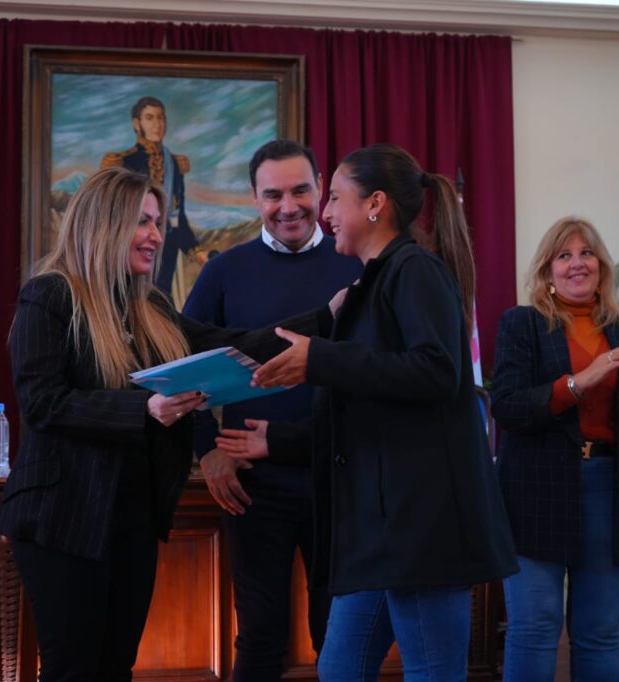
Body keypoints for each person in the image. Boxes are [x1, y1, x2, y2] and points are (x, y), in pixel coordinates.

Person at [0, 166, 334, 681]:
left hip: (132, 513)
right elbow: (43, 403)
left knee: (117, 668)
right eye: (143, 222)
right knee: (72, 671)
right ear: (104, 224)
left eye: (157, 222)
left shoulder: (150, 305)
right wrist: (143, 408)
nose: (156, 235)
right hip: (62, 518)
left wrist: (327, 317)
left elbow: (233, 346)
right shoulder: (49, 295)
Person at [221, 143, 517, 680]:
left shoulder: (414, 270)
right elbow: (367, 406)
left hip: (421, 528)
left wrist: (320, 358)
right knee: (339, 668)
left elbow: (435, 371)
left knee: (431, 672)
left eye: (335, 197)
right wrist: (284, 431)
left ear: (375, 204)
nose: (326, 212)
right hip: (381, 530)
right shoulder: (378, 278)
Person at [183, 139, 360, 679]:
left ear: (322, 187)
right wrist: (208, 450)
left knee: (341, 636)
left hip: (342, 478)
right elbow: (181, 368)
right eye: (273, 195)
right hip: (253, 487)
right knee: (260, 637)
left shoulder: (357, 262)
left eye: (301, 191)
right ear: (254, 198)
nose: (289, 207)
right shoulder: (223, 271)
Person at [491, 217, 619, 682]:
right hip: (535, 488)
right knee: (536, 626)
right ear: (547, 270)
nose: (577, 264)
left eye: (586, 253)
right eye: (564, 255)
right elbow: (508, 407)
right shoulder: (522, 324)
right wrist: (579, 382)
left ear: (602, 266)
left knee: (599, 632)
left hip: (607, 487)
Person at [101, 96, 199, 299]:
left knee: (161, 304)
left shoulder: (175, 164)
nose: (157, 124)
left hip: (167, 249)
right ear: (137, 124)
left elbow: (177, 215)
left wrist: (195, 251)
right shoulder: (122, 162)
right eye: (150, 117)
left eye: (161, 117)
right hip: (130, 249)